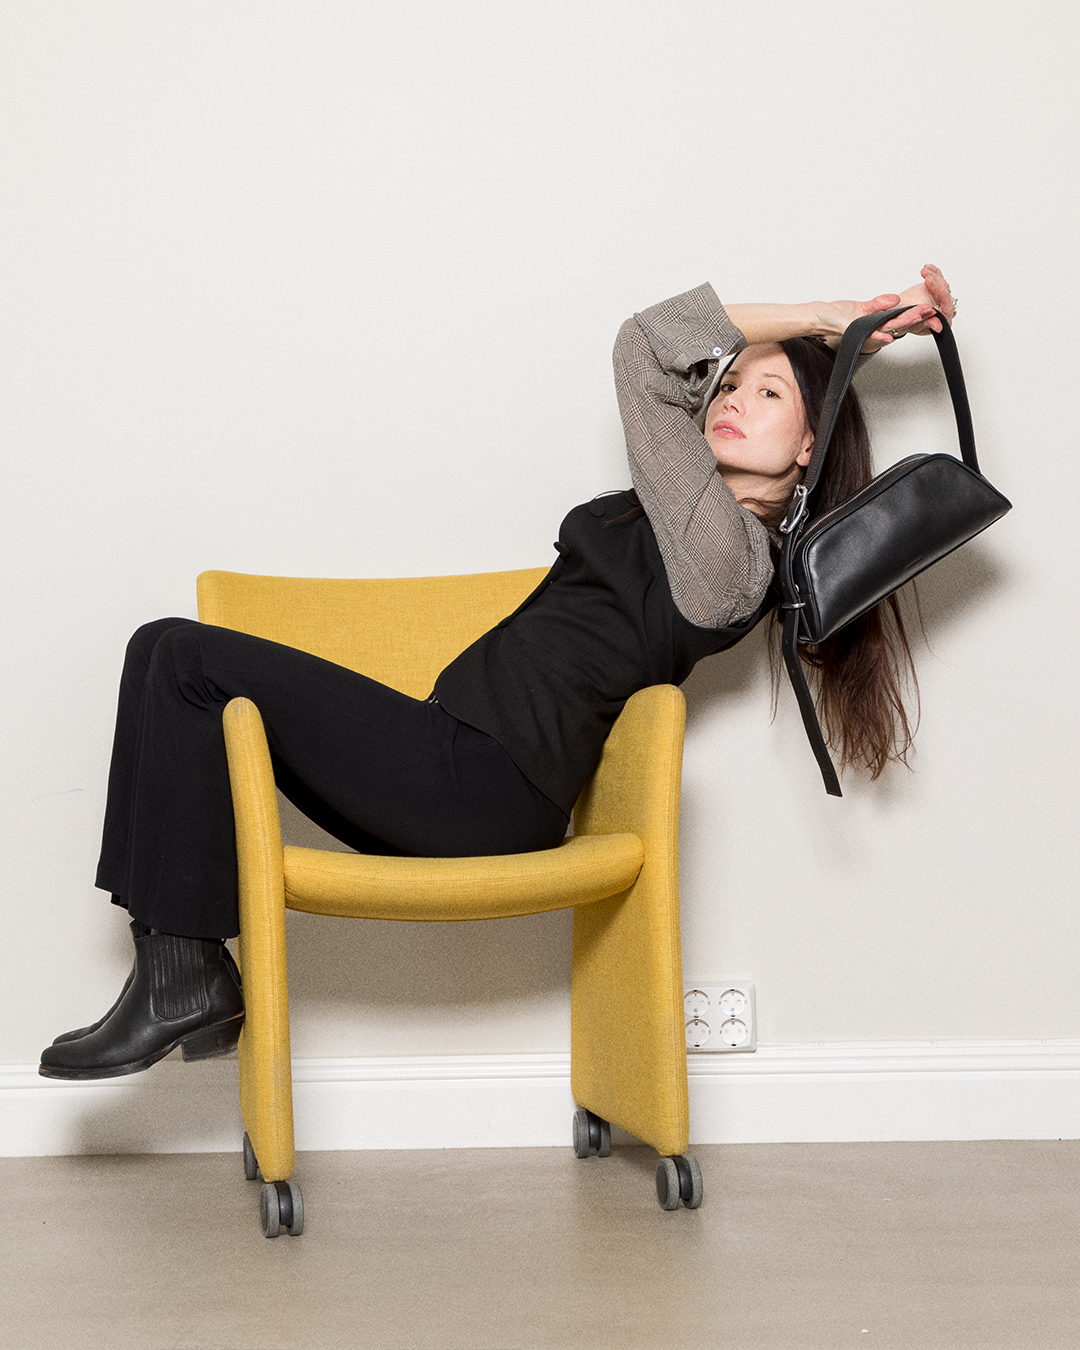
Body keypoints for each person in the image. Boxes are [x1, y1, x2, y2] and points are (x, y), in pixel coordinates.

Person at [39, 265, 956, 1081]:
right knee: (163, 653)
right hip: (453, 762)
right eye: (731, 381)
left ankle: (183, 971)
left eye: (767, 394)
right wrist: (844, 337)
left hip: (481, 786)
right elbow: (673, 363)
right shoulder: (683, 513)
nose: (730, 397)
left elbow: (645, 346)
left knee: (177, 651)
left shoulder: (729, 558)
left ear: (807, 449)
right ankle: (181, 964)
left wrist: (829, 321)